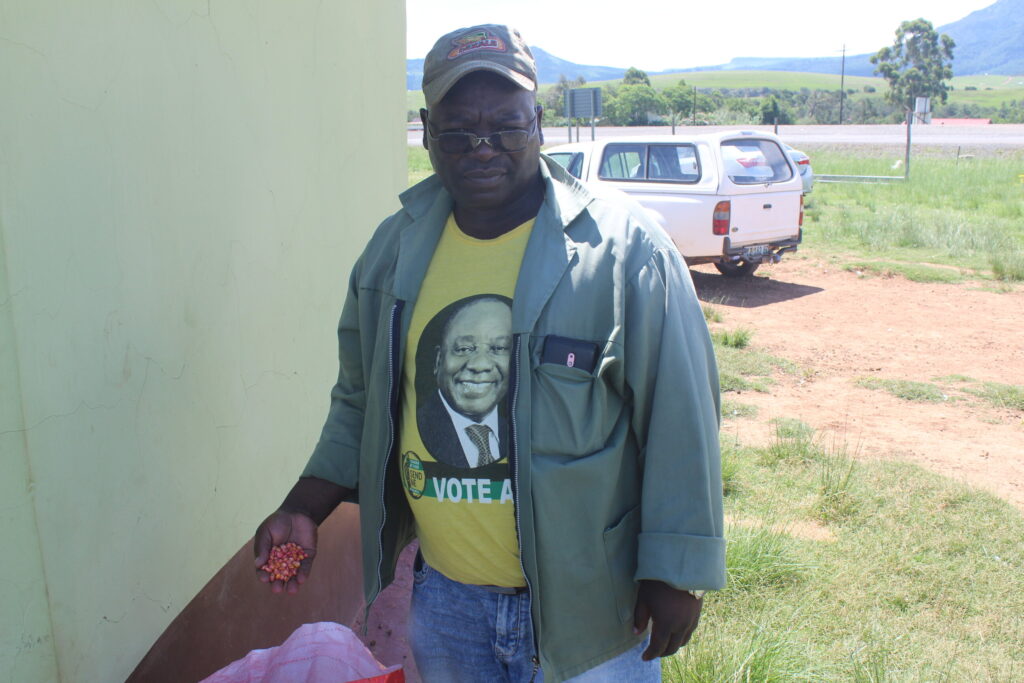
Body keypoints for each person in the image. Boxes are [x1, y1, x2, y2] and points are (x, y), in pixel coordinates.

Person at [253, 23, 725, 683]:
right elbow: (360, 399)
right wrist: (305, 505)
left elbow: (681, 413)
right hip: (446, 600)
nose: (483, 149)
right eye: (458, 131)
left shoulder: (624, 252)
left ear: (538, 121)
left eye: (505, 126)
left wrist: (675, 570)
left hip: (589, 605)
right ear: (426, 130)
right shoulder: (393, 252)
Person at [417, 295, 512, 468]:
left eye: (498, 348)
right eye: (464, 349)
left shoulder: (520, 430)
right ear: (439, 360)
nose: (480, 365)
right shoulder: (417, 430)